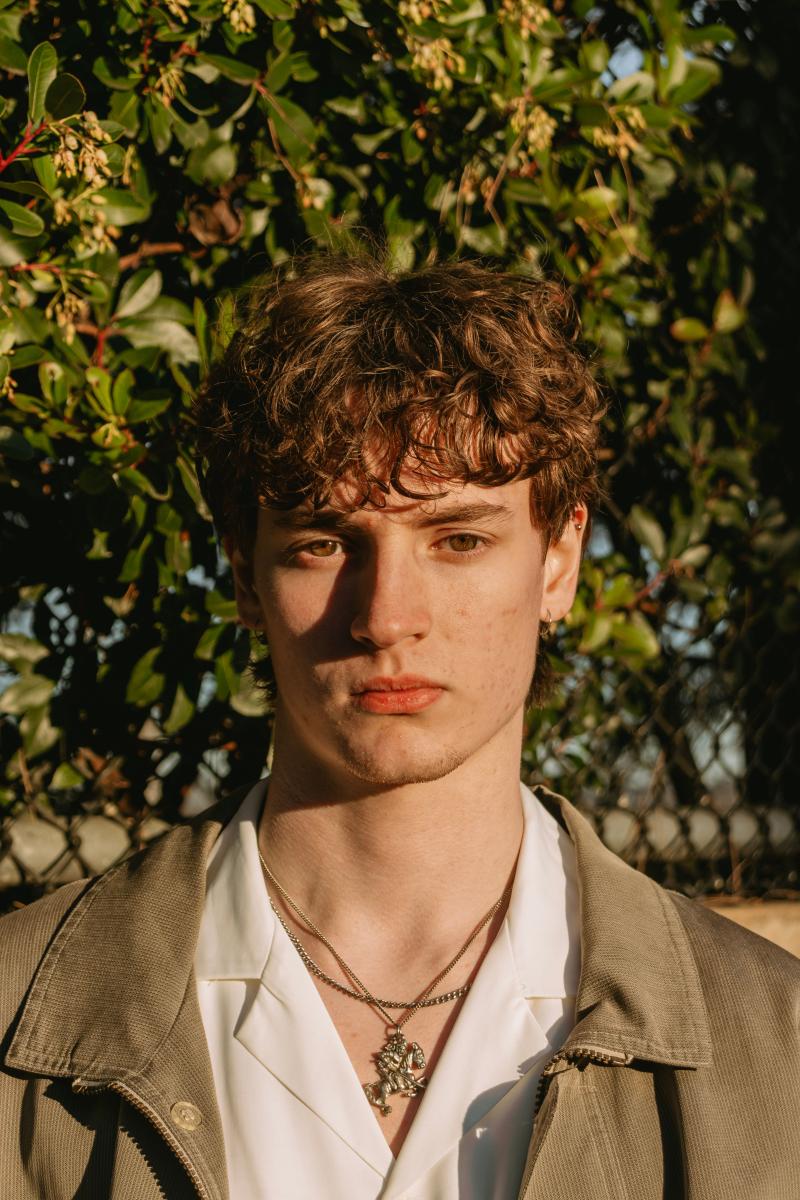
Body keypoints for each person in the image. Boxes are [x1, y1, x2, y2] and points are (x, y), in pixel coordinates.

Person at [0, 253, 798, 1200]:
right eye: (323, 542)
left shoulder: (773, 1041)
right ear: (246, 574)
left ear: (559, 561)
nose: (386, 617)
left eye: (459, 539)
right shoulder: (16, 1015)